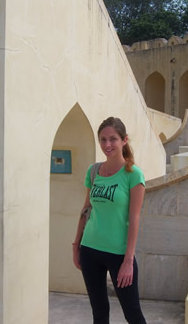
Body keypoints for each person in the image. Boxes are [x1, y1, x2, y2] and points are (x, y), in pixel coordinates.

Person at [72, 117, 147, 324]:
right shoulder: (94, 171)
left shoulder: (133, 175)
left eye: (113, 139)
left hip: (119, 254)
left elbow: (134, 218)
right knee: (99, 312)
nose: (107, 145)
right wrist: (76, 245)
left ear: (124, 140)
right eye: (103, 139)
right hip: (90, 249)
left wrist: (128, 261)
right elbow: (86, 209)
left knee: (133, 314)